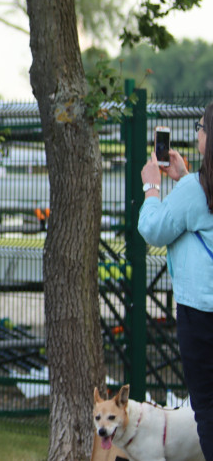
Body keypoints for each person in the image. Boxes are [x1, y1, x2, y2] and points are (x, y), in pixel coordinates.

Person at [138, 102, 213, 458]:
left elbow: (154, 229)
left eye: (200, 126)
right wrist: (182, 178)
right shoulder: (194, 188)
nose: (197, 131)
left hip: (201, 314)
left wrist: (152, 188)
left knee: (209, 408)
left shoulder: (196, 190)